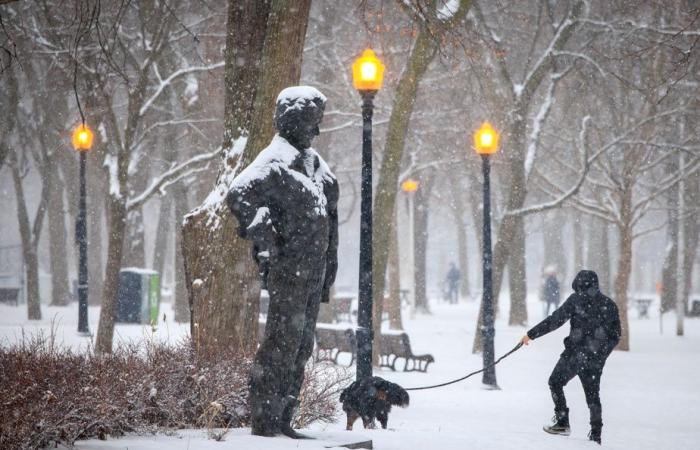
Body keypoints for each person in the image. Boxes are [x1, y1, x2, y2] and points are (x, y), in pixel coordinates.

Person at [227, 86, 338, 438]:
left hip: (313, 275)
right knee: (281, 344)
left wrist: (327, 271)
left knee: (302, 345)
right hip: (289, 273)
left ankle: (284, 418)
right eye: (311, 122)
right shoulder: (274, 162)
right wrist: (267, 241)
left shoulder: (317, 167)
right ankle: (264, 421)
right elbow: (239, 194)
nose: (316, 131)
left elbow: (330, 218)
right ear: (291, 120)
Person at [520, 270, 621, 445]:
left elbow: (554, 321)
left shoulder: (576, 300)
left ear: (579, 284)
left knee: (555, 382)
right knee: (593, 396)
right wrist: (600, 355)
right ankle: (596, 435)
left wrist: (531, 334)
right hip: (594, 359)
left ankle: (562, 421)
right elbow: (616, 335)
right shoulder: (609, 305)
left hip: (574, 355)